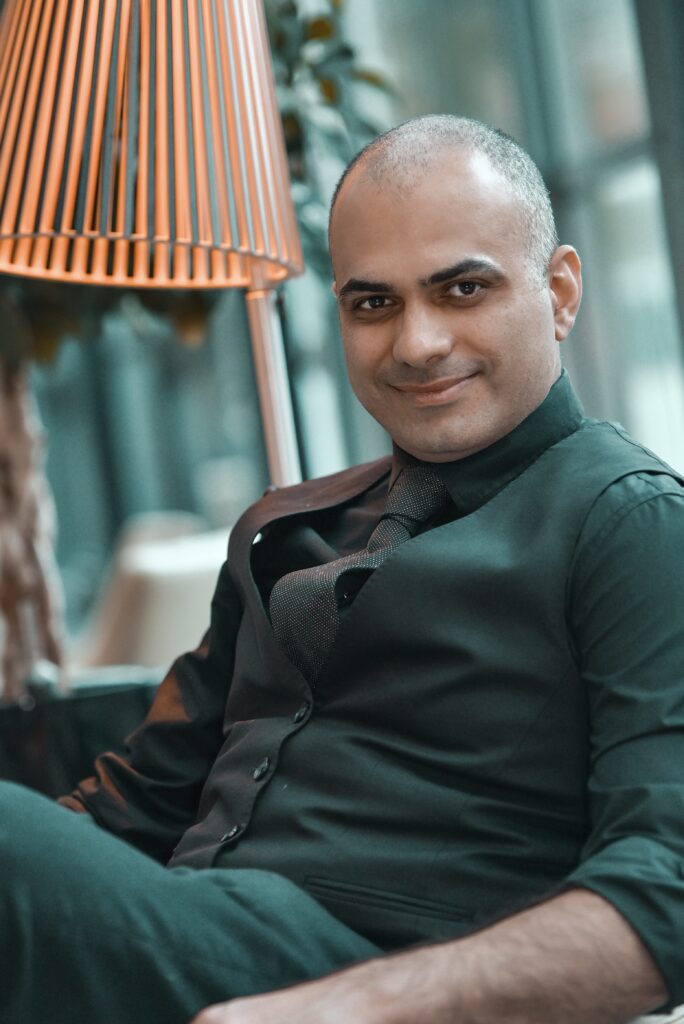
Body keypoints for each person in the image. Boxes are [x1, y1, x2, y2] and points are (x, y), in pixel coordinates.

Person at [1, 115, 683, 1024]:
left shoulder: (631, 522)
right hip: (181, 941)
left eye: (463, 289)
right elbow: (132, 805)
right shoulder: (285, 526)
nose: (417, 343)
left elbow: (666, 891)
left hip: (379, 978)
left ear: (559, 292)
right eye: (374, 304)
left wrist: (336, 1011)